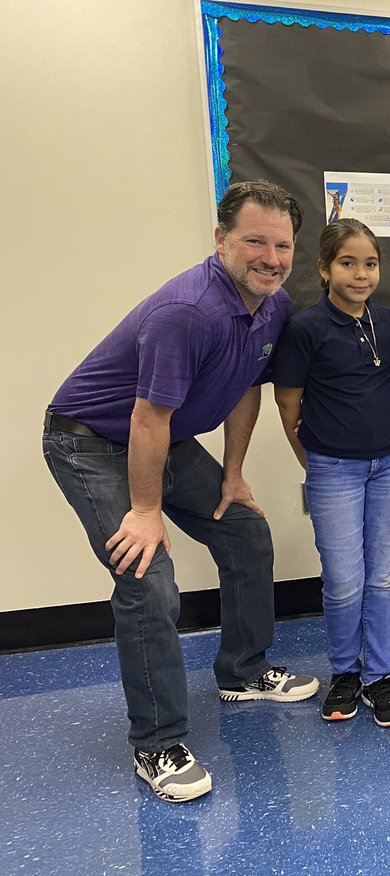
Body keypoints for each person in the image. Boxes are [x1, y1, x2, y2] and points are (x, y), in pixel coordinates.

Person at [42, 180, 319, 804]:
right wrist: (144, 510)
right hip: (90, 440)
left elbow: (248, 385)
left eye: (283, 245)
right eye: (255, 241)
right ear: (221, 240)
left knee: (245, 531)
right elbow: (147, 419)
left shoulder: (273, 306)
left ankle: (243, 673)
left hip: (163, 438)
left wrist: (234, 471)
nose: (271, 257)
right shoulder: (188, 311)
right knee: (147, 578)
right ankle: (158, 743)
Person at [273, 219, 390, 727]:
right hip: (333, 468)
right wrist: (312, 460)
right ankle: (344, 672)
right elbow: (289, 404)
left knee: (382, 577)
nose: (361, 274)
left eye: (370, 263)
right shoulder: (305, 328)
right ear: (324, 269)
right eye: (348, 263)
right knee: (342, 581)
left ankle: (378, 674)